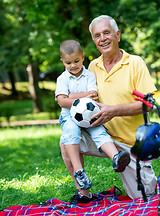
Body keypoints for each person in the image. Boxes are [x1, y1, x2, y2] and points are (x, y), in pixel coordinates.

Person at [60, 15, 157, 203]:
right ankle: (83, 192)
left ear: (117, 35)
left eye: (107, 33)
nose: (102, 38)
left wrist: (113, 111)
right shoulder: (92, 67)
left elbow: (149, 105)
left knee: (144, 197)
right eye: (97, 35)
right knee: (66, 141)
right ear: (94, 41)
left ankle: (136, 173)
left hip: (131, 146)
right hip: (102, 137)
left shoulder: (135, 63)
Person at [55, 39, 131, 203]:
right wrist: (80, 96)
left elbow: (93, 95)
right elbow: (61, 101)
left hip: (89, 114)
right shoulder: (62, 79)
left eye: (76, 61)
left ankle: (116, 158)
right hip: (69, 117)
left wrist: (70, 96)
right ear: (62, 61)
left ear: (83, 57)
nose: (73, 66)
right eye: (68, 63)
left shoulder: (89, 75)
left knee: (99, 131)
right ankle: (79, 171)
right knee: (71, 133)